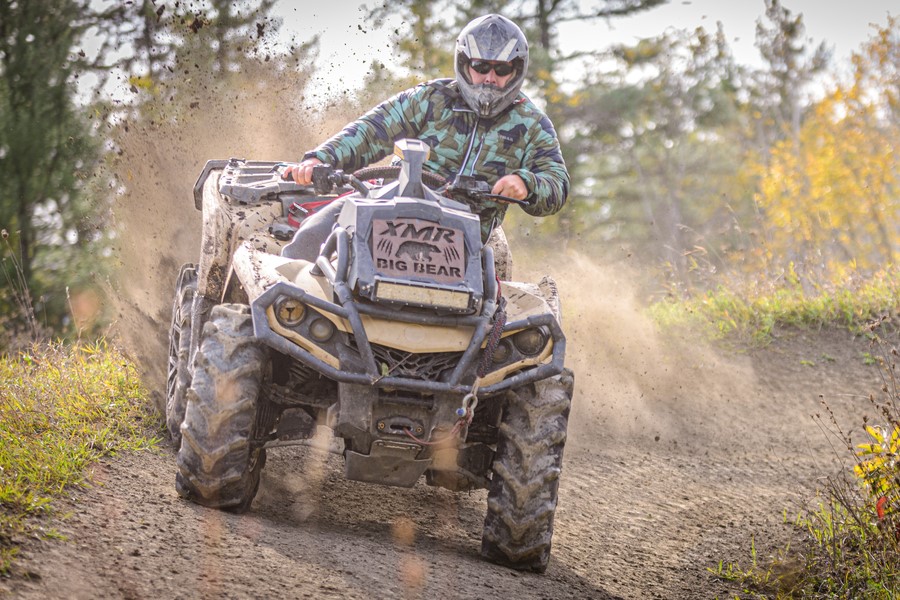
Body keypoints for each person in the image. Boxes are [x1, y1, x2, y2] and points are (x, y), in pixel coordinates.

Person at [281, 13, 569, 262]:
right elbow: (372, 131)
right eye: (481, 67)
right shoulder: (431, 98)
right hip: (384, 208)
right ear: (465, 63)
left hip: (463, 239)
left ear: (516, 70)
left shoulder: (532, 124)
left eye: (501, 69)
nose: (490, 78)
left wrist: (527, 184)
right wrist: (321, 157)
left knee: (495, 311)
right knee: (310, 238)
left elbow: (557, 182)